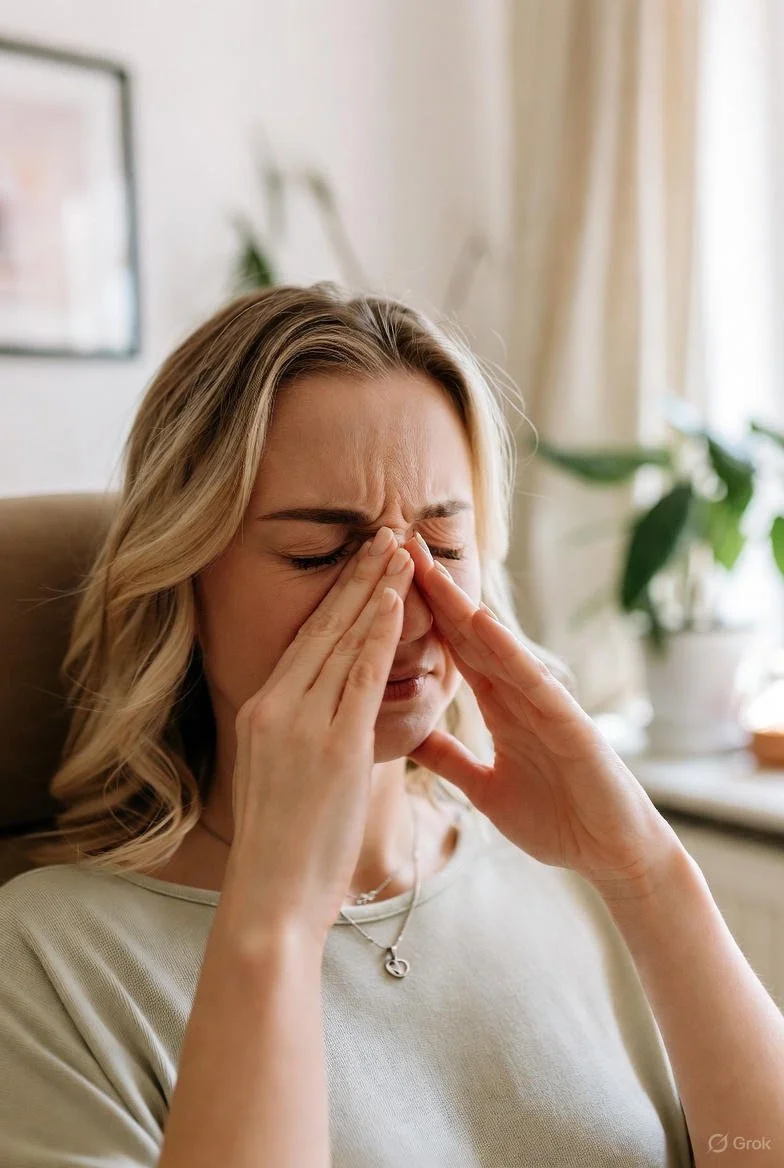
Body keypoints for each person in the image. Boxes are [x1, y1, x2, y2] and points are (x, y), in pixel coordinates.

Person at [0, 283, 702, 1166]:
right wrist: (278, 919)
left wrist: (647, 869)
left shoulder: (575, 874)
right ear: (181, 580)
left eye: (444, 550)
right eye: (320, 555)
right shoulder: (49, 962)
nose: (405, 614)